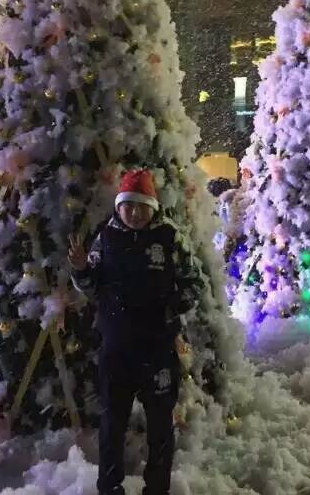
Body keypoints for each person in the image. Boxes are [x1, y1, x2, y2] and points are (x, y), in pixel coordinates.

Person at [68, 169, 198, 495]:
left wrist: (169, 309)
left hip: (157, 349)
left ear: (153, 207)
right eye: (129, 207)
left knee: (160, 426)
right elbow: (92, 287)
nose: (136, 213)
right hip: (117, 349)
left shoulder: (170, 237)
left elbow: (193, 283)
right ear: (119, 207)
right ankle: (109, 487)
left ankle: (157, 488)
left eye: (142, 206)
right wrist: (81, 268)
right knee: (112, 423)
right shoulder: (107, 238)